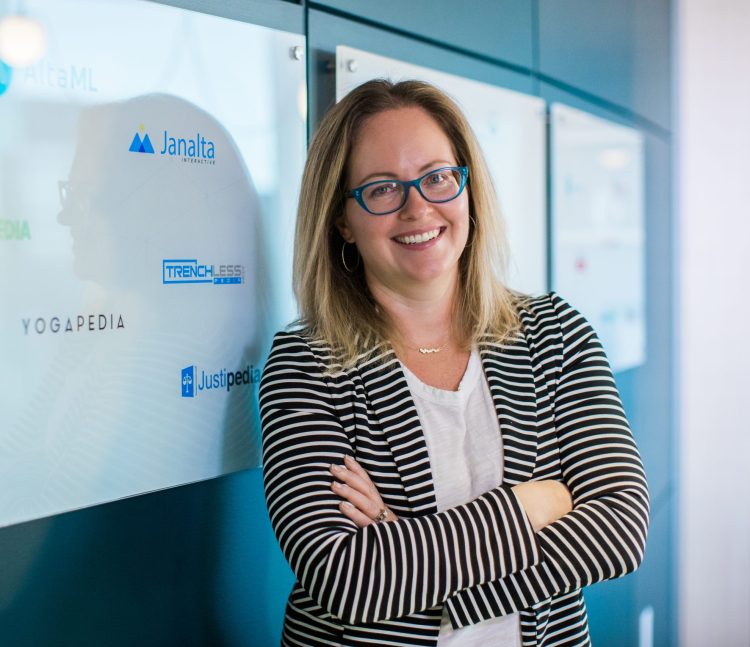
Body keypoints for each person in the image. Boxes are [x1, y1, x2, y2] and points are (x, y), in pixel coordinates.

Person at [260, 79, 649, 647]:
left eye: (438, 177)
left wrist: (413, 559)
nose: (419, 206)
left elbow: (618, 528)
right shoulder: (306, 365)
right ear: (341, 219)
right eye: (382, 188)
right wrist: (535, 502)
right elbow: (344, 578)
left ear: (467, 188)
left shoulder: (556, 334)